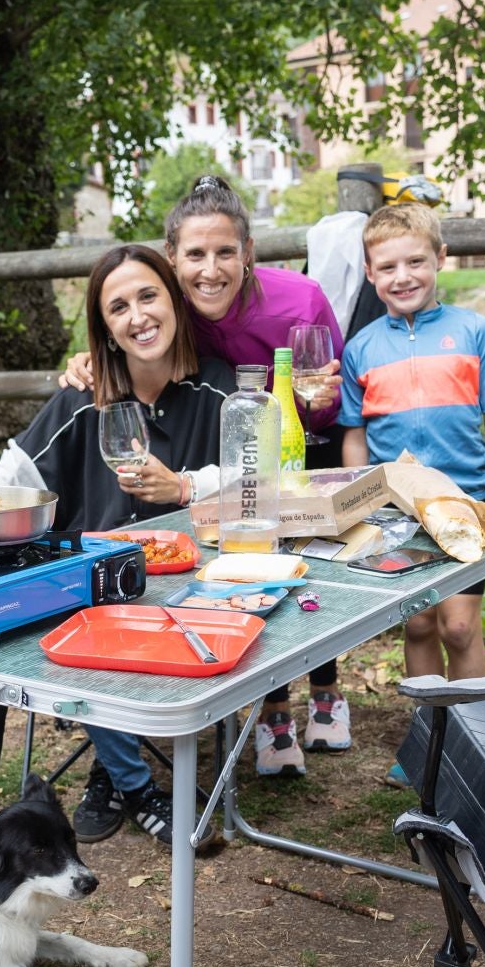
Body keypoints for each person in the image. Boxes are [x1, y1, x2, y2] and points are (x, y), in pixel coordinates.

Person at [65, 175, 376, 777]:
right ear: (173, 258)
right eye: (196, 255)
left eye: (225, 253)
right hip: (227, 441)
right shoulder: (172, 305)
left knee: (306, 565)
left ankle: (326, 689)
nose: (211, 270)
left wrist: (317, 402)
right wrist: (88, 358)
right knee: (248, 564)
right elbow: (129, 336)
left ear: (249, 253)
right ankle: (272, 709)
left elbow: (333, 394)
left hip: (302, 438)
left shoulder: (301, 299)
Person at [0, 244, 233, 847]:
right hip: (96, 592)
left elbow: (261, 481)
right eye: (118, 307)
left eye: (148, 295)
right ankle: (131, 783)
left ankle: (113, 768)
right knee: (39, 613)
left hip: (200, 587)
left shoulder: (221, 390)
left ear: (174, 298)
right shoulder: (81, 399)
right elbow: (6, 483)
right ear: (105, 329)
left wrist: (187, 486)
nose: (138, 315)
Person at [339, 203, 485, 767]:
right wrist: (354, 503)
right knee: (418, 623)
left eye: (416, 261)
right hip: (396, 513)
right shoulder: (362, 347)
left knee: (460, 627)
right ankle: (426, 748)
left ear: (440, 259)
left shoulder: (473, 331)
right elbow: (354, 436)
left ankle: (478, 752)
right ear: (370, 274)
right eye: (387, 267)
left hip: (465, 506)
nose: (402, 277)